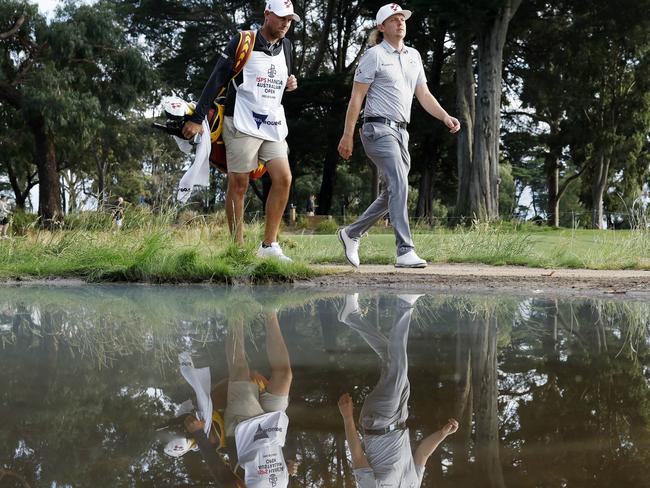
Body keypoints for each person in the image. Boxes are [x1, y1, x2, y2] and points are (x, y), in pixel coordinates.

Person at [337, 3, 461, 269]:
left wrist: (445, 116)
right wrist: (347, 135)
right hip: (377, 129)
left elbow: (424, 95)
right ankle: (405, 250)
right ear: (382, 27)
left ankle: (351, 233)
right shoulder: (374, 56)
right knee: (398, 183)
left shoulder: (414, 56)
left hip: (401, 132)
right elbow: (356, 97)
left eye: (402, 18)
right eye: (393, 20)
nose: (400, 23)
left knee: (395, 189)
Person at [182, 0, 300, 262]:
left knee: (283, 178)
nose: (285, 24)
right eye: (281, 18)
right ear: (267, 14)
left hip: (272, 124)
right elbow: (216, 79)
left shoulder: (288, 47)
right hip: (241, 122)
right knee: (239, 182)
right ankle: (237, 248)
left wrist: (290, 82)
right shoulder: (242, 41)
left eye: (290, 20)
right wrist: (197, 118)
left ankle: (269, 246)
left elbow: (279, 79)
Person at [336, 293, 459, 486]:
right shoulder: (414, 485)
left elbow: (358, 456)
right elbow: (422, 454)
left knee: (398, 367)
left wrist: (347, 417)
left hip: (378, 422)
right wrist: (442, 434)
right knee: (392, 360)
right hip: (401, 416)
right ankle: (351, 317)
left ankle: (404, 303)